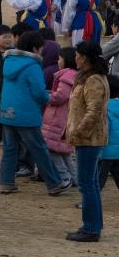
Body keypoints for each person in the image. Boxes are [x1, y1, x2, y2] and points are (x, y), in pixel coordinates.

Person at [0, 30, 69, 195]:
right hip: (26, 114)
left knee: (9, 148)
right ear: (35, 48)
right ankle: (54, 183)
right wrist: (49, 97)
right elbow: (38, 92)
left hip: (8, 112)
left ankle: (6, 182)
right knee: (39, 149)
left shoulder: (9, 61)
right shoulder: (33, 65)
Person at [67, 41, 110, 242]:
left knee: (87, 184)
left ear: (83, 57)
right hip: (87, 138)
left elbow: (94, 112)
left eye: (77, 54)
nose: (74, 57)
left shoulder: (93, 80)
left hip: (89, 139)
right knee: (89, 183)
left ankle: (91, 229)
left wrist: (78, 132)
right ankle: (92, 226)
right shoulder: (88, 78)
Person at [42, 47, 78, 188]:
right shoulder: (74, 75)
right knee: (64, 152)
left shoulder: (66, 77)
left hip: (58, 118)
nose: (58, 61)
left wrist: (46, 95)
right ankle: (75, 178)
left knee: (51, 148)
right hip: (65, 119)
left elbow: (60, 96)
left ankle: (64, 177)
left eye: (60, 58)